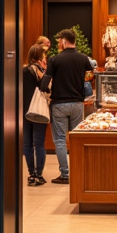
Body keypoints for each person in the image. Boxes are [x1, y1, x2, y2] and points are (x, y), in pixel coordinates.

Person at [39, 29, 88, 184]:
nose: (59, 43)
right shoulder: (83, 59)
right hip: (78, 104)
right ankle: (78, 171)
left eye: (60, 40)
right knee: (75, 139)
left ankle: (65, 174)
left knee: (60, 140)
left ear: (65, 41)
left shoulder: (55, 60)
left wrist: (44, 89)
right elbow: (89, 76)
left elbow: (45, 83)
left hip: (59, 104)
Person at [23, 44, 49, 186]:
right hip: (38, 111)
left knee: (27, 144)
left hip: (24, 112)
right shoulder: (41, 72)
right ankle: (39, 174)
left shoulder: (23, 71)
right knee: (39, 144)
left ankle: (31, 173)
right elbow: (46, 88)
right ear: (40, 57)